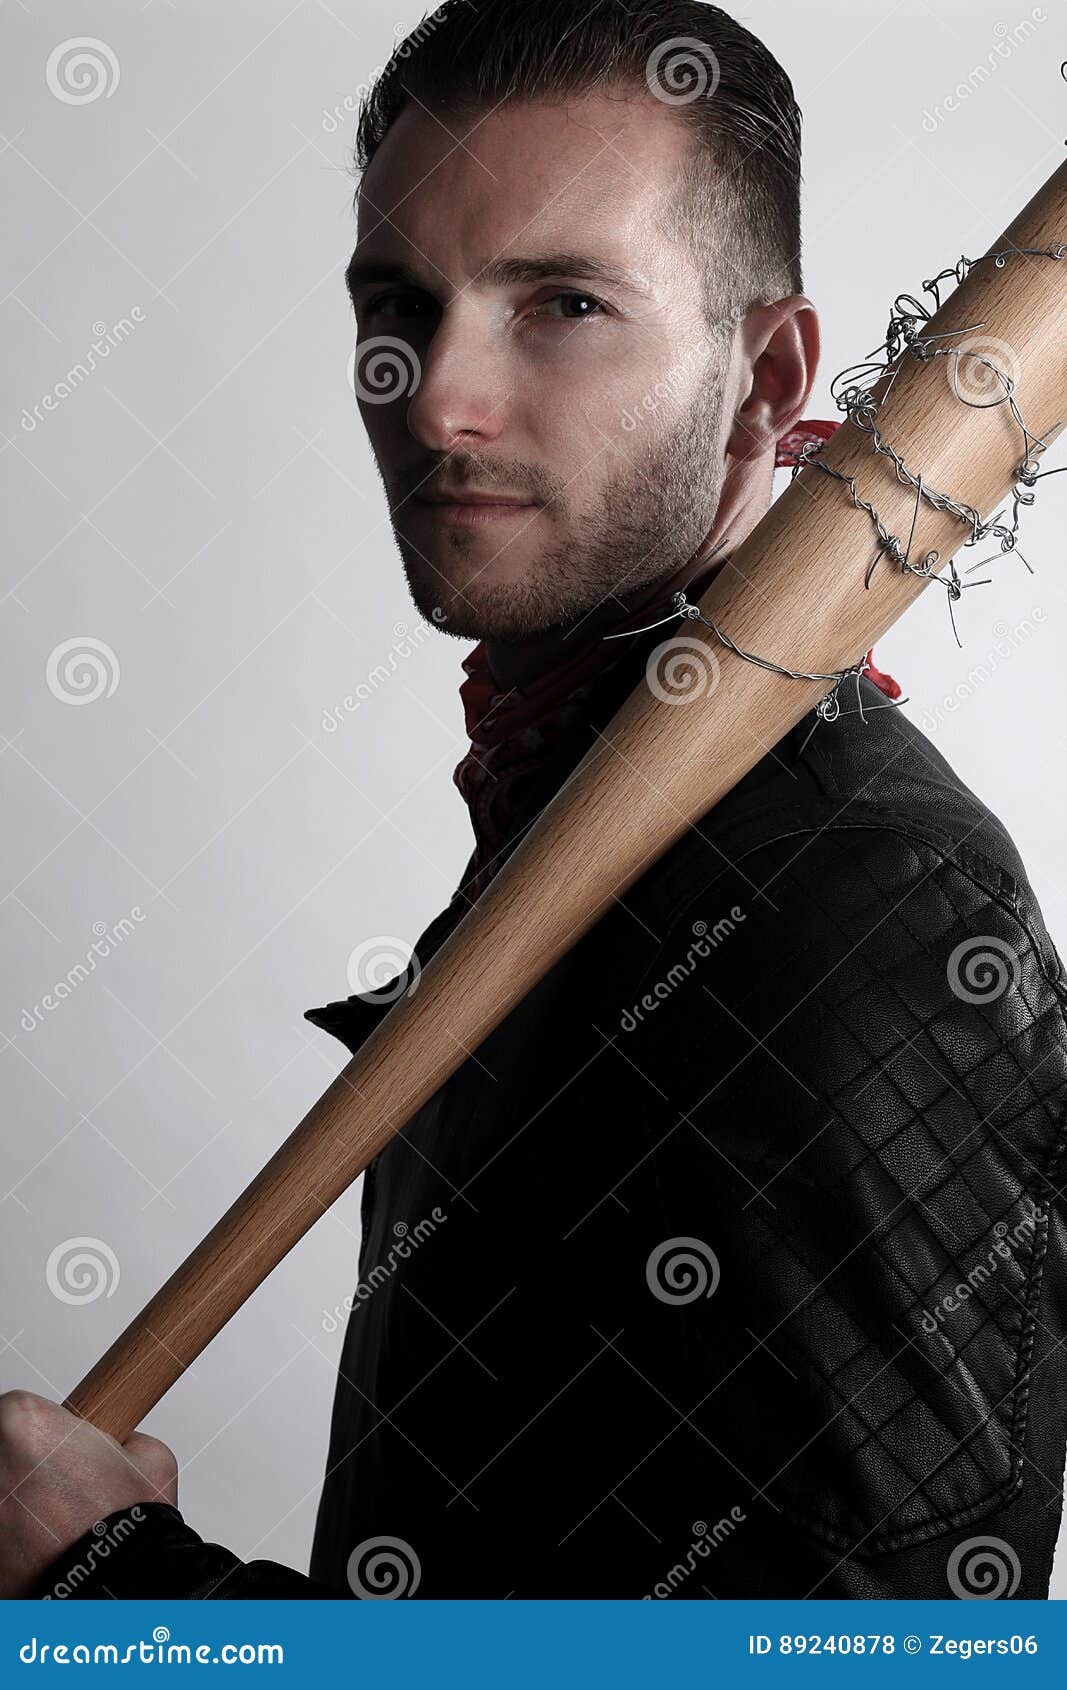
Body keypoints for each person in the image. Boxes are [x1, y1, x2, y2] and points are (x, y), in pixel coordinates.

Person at [4, 0, 1066, 1601]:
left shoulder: (852, 904)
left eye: (562, 302)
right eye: (399, 305)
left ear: (769, 373)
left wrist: (124, 1592)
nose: (436, 397)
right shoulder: (576, 809)